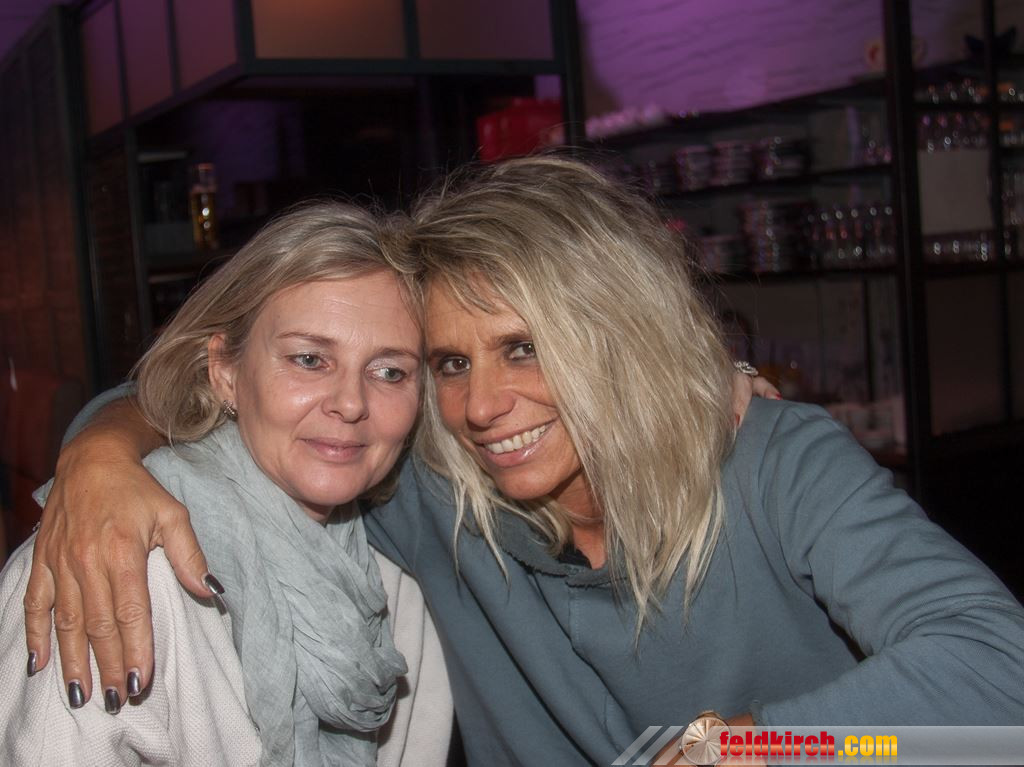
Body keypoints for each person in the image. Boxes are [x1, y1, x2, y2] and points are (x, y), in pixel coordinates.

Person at [22, 156, 1024, 765]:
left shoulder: (773, 462)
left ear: (613, 336)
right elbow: (215, 411)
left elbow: (998, 671)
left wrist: (755, 748)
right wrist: (101, 455)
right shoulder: (431, 492)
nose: (480, 405)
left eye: (523, 348)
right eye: (449, 363)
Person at [0, 202, 452, 766]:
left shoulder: (402, 568)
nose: (351, 403)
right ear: (225, 370)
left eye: (390, 371)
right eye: (309, 359)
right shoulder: (111, 557)